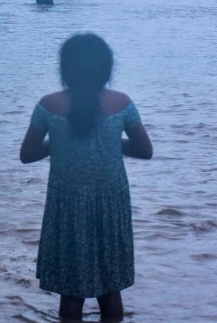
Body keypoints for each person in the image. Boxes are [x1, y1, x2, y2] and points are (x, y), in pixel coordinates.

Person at [19, 34, 153, 323]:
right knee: (110, 291)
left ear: (65, 68)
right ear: (106, 67)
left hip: (67, 208)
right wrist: (112, 142)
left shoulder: (48, 105)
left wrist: (56, 142)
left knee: (70, 294)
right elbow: (145, 150)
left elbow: (27, 154)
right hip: (110, 205)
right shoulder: (122, 103)